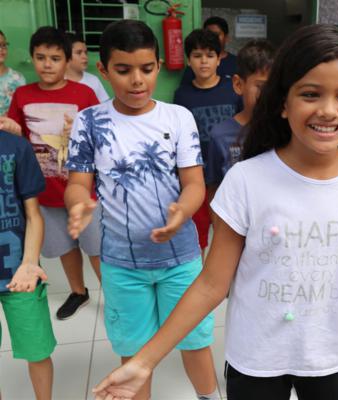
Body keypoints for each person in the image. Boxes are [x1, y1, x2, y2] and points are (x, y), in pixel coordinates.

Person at [92, 24, 338, 400]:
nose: (328, 110)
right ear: (283, 103)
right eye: (310, 94)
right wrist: (145, 361)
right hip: (256, 359)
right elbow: (211, 284)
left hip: (332, 357)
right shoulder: (246, 180)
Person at [64, 20, 219, 400]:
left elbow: (194, 183)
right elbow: (78, 183)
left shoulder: (177, 117)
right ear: (103, 70)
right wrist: (78, 204)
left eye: (147, 69)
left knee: (195, 342)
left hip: (180, 259)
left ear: (159, 65)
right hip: (121, 264)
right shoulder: (89, 121)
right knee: (133, 353)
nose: (137, 80)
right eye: (123, 70)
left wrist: (183, 211)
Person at [4, 26, 101, 320]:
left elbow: (103, 134)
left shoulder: (84, 93)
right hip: (44, 192)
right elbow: (18, 136)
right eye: (40, 57)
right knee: (64, 247)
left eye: (55, 58)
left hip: (84, 191)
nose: (47, 64)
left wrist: (81, 131)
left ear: (67, 61)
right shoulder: (22, 94)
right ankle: (78, 292)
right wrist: (13, 131)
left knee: (96, 248)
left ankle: (115, 298)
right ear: (32, 58)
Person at [0, 129, 56, 400]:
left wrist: (29, 263)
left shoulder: (16, 147)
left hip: (19, 272)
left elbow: (33, 214)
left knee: (37, 349)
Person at [174, 28, 240, 254]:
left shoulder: (233, 90)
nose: (204, 61)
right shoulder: (182, 95)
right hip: (199, 175)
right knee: (199, 231)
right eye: (197, 56)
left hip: (230, 173)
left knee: (230, 231)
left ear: (219, 59)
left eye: (210, 55)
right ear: (188, 60)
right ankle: (200, 271)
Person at [204, 39, 274, 216]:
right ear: (238, 85)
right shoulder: (220, 135)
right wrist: (218, 225)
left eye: (274, 88)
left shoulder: (286, 131)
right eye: (261, 87)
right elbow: (213, 187)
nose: (269, 95)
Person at [180, 16, 237, 86]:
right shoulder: (194, 65)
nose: (204, 61)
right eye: (197, 56)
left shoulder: (237, 63)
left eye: (216, 34)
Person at [64, 32, 110, 102]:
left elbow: (104, 105)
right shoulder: (58, 81)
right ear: (65, 55)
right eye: (79, 53)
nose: (85, 57)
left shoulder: (93, 80)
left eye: (86, 53)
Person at [0, 29, 25, 116]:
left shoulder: (17, 78)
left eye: (3, 45)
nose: (1, 49)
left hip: (12, 124)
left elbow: (22, 109)